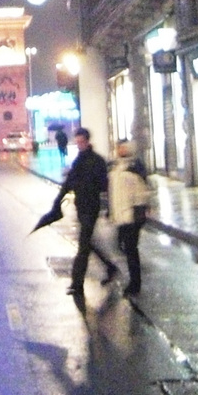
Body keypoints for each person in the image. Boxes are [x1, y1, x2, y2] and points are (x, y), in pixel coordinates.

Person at [55, 128, 118, 308]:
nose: (79, 144)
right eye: (78, 142)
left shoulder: (97, 161)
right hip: (81, 207)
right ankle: (110, 267)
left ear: (87, 141)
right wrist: (60, 197)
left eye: (81, 141)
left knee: (83, 246)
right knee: (87, 243)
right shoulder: (78, 160)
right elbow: (70, 182)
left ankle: (77, 283)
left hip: (91, 207)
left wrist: (88, 187)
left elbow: (103, 184)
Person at [108, 141, 150, 298]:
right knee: (123, 247)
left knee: (131, 249)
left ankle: (135, 283)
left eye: (124, 147)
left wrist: (139, 213)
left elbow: (141, 194)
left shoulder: (134, 168)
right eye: (119, 147)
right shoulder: (115, 168)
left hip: (132, 216)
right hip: (120, 215)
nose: (120, 150)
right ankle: (131, 280)